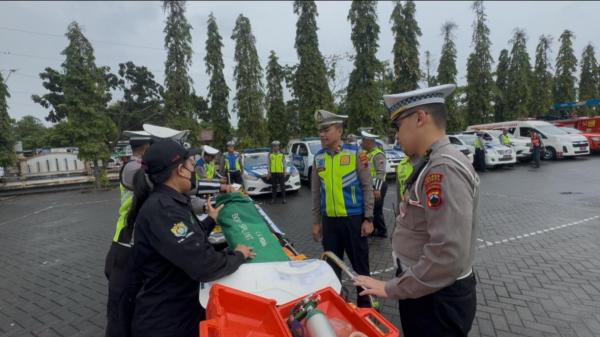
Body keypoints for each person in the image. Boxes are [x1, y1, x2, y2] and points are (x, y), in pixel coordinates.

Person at [354, 84, 480, 337]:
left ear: (420, 118)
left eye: (398, 126)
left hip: (435, 299)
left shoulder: (442, 169)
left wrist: (391, 288)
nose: (397, 136)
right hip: (428, 292)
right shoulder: (432, 162)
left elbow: (446, 255)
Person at [130, 139, 255, 337]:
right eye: (190, 166)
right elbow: (203, 264)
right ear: (180, 170)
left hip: (178, 310)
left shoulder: (170, 201)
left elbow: (186, 240)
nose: (193, 172)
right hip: (167, 321)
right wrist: (238, 254)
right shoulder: (164, 210)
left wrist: (210, 221)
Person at [311, 109, 374, 308]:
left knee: (359, 268)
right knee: (331, 268)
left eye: (326, 129)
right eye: (320, 130)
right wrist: (316, 222)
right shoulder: (318, 158)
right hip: (330, 222)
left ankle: (366, 307)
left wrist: (369, 218)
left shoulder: (356, 154)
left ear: (339, 130)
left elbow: (367, 186)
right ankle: (337, 306)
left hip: (354, 220)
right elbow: (315, 193)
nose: (322, 134)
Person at [104, 135, 151, 337]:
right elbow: (154, 186)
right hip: (125, 241)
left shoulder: (140, 166)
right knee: (120, 312)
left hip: (134, 241)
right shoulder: (133, 168)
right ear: (147, 147)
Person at [360, 130, 388, 238]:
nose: (362, 143)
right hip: (371, 186)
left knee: (376, 209)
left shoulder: (378, 154)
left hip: (378, 186)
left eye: (364, 141)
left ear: (370, 141)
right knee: (372, 209)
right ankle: (374, 229)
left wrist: (377, 189)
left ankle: (382, 231)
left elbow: (380, 173)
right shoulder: (367, 153)